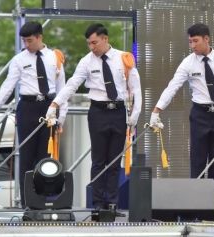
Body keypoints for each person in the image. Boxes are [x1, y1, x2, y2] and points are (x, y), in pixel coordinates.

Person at [46, 23, 142, 210]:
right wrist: (55, 103)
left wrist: (135, 116)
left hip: (118, 111)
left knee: (114, 161)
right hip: (98, 112)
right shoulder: (86, 61)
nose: (92, 47)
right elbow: (72, 84)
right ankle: (98, 203)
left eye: (95, 43)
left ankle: (112, 202)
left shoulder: (123, 58)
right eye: (89, 44)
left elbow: (136, 89)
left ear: (105, 39)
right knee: (98, 160)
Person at [0, 21, 68, 207]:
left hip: (49, 106)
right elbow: (8, 86)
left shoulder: (55, 57)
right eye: (24, 41)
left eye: (30, 41)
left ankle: (44, 199)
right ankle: (27, 202)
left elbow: (63, 89)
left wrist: (61, 116)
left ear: (39, 37)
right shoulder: (19, 59)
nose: (26, 45)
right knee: (27, 156)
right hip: (28, 107)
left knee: (46, 156)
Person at [149, 23, 214, 195]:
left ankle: (212, 202)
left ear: (207, 39)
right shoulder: (188, 63)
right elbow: (172, 87)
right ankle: (196, 202)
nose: (192, 46)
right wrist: (157, 110)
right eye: (190, 42)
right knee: (198, 160)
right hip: (200, 115)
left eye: (195, 41)